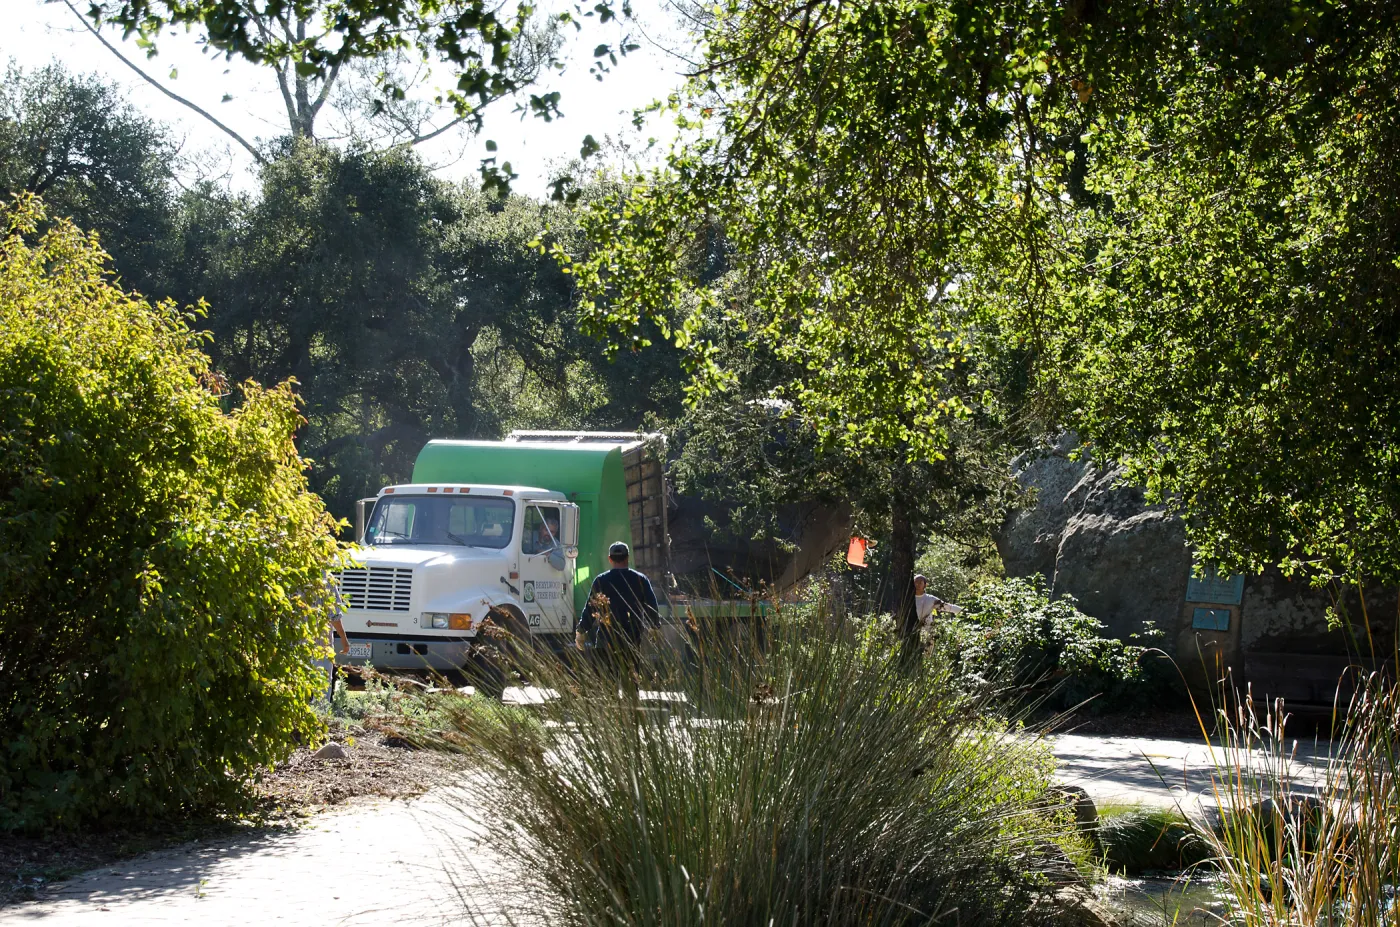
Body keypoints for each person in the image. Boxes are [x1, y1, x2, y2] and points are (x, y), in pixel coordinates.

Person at [575, 542, 661, 672]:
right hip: (632, 641)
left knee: (609, 688)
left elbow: (590, 609)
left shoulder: (601, 580)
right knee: (631, 686)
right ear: (628, 557)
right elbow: (651, 606)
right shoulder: (640, 579)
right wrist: (654, 627)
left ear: (610, 559)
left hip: (606, 641)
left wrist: (581, 631)